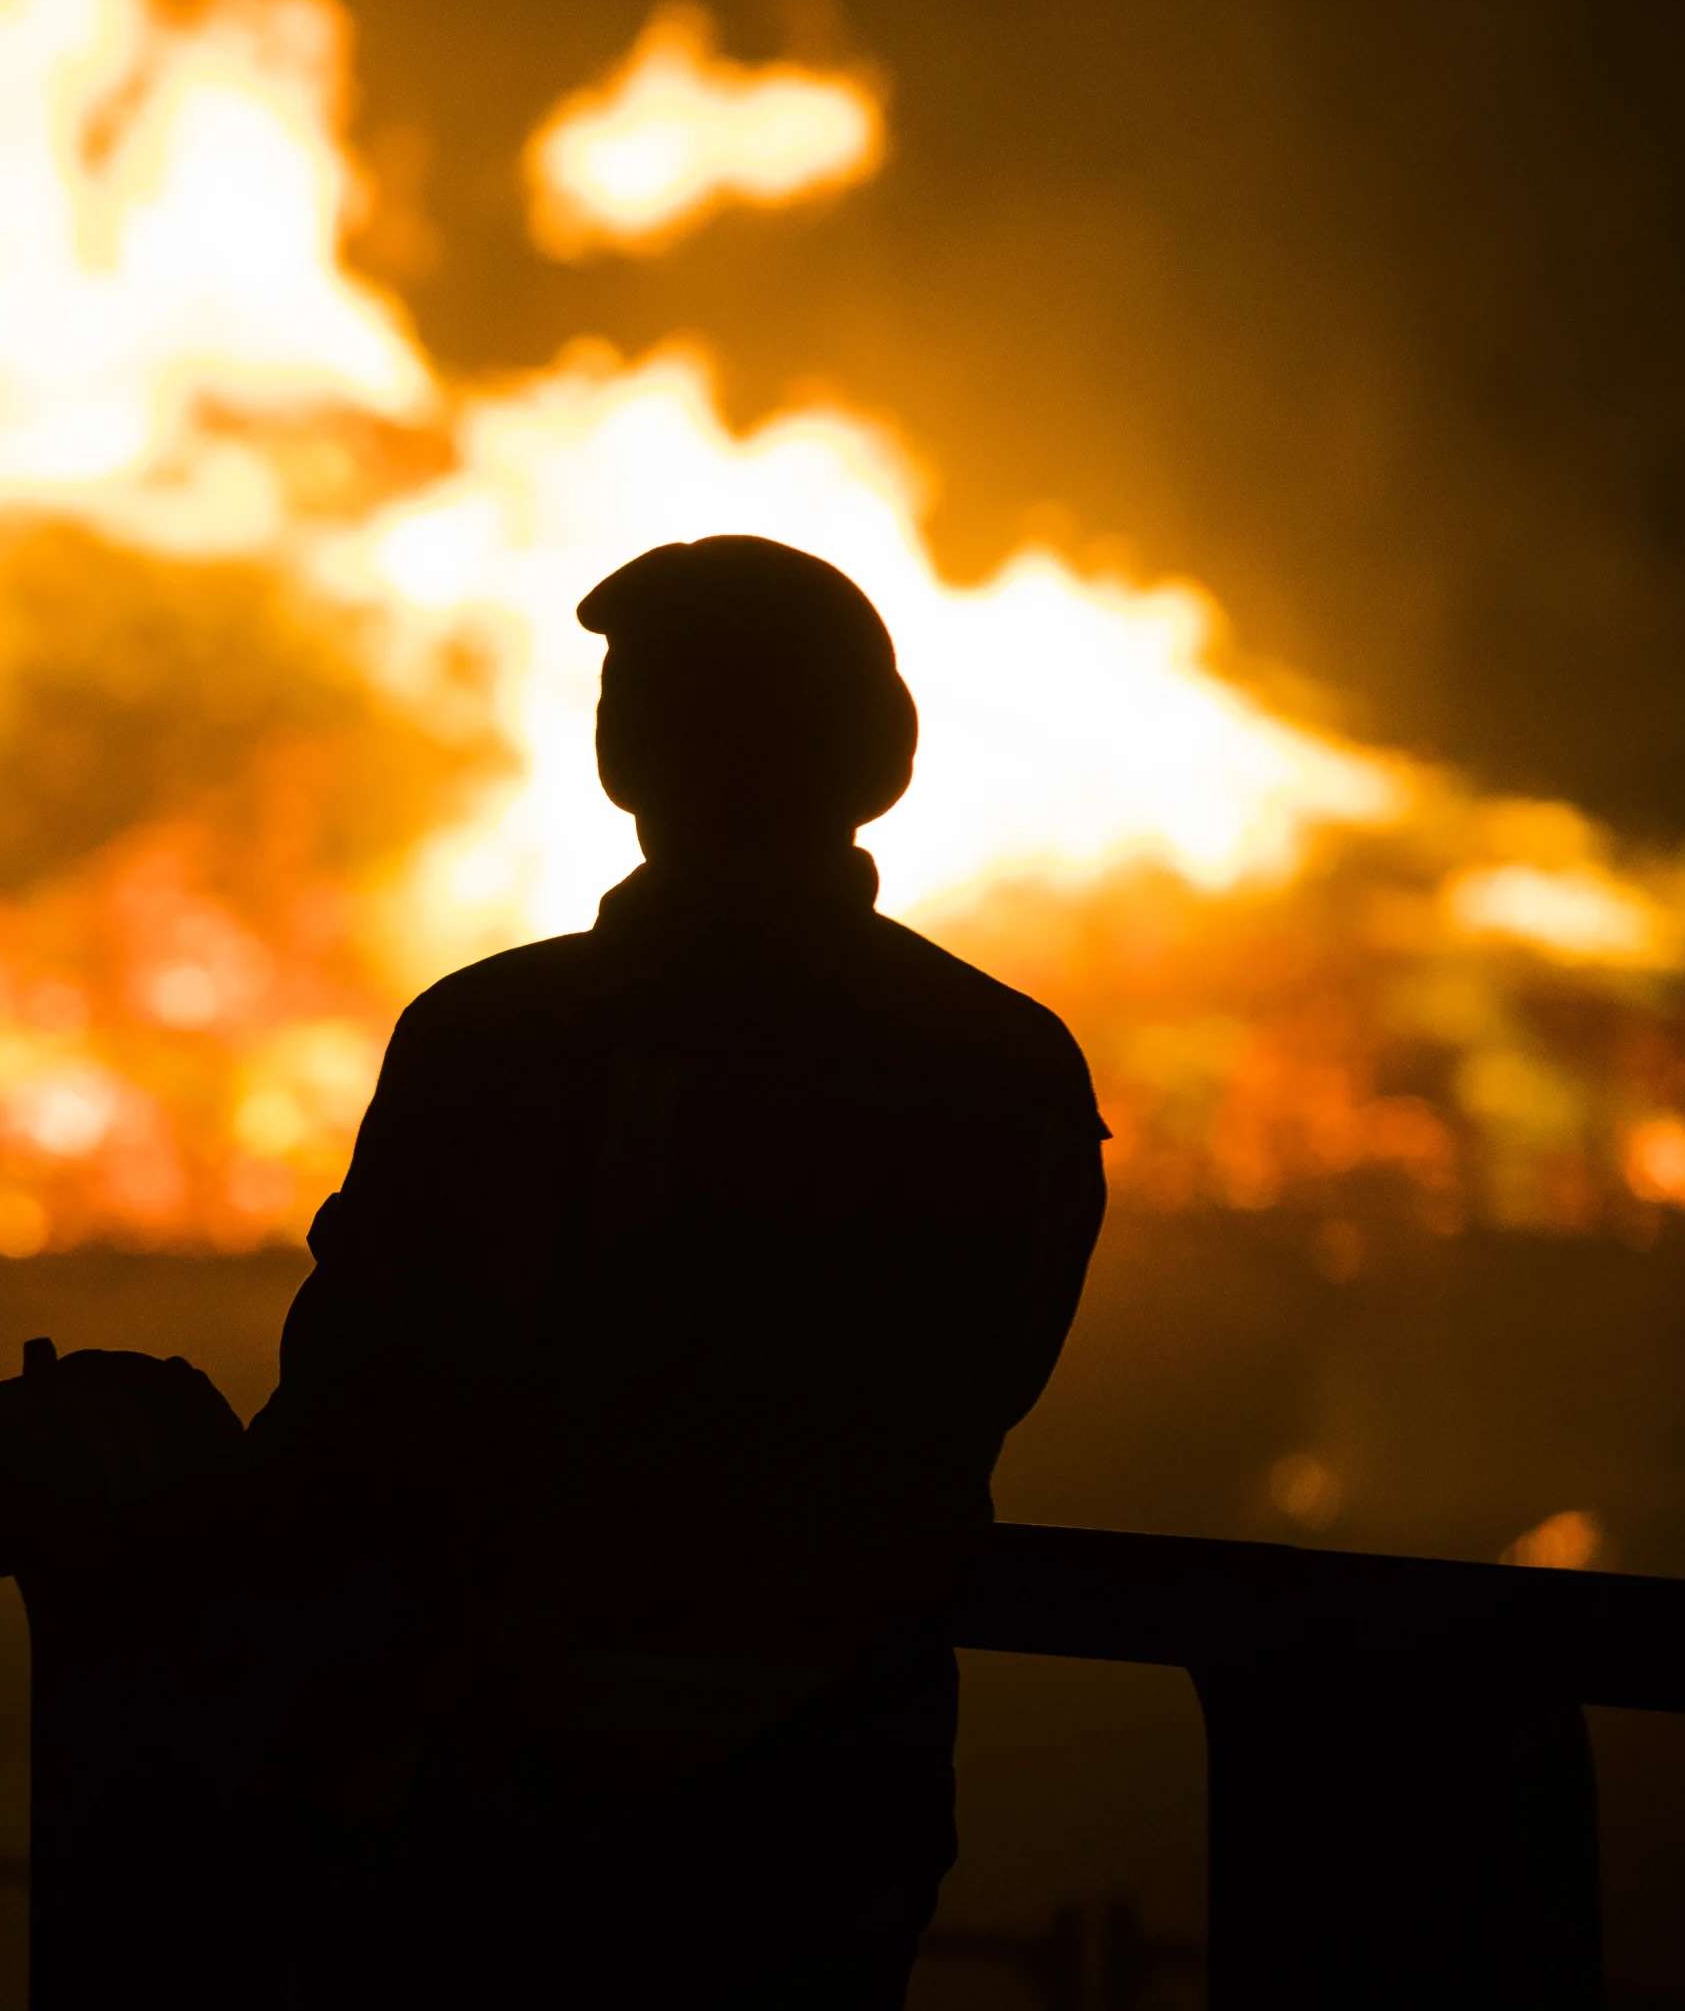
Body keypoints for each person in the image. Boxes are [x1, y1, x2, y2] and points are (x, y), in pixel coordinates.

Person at [246, 536, 1108, 2007]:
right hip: (837, 1786)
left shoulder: (501, 1042)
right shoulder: (1008, 1062)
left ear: (624, 756)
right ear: (880, 755)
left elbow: (367, 1403)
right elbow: (997, 1372)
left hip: (514, 1785)